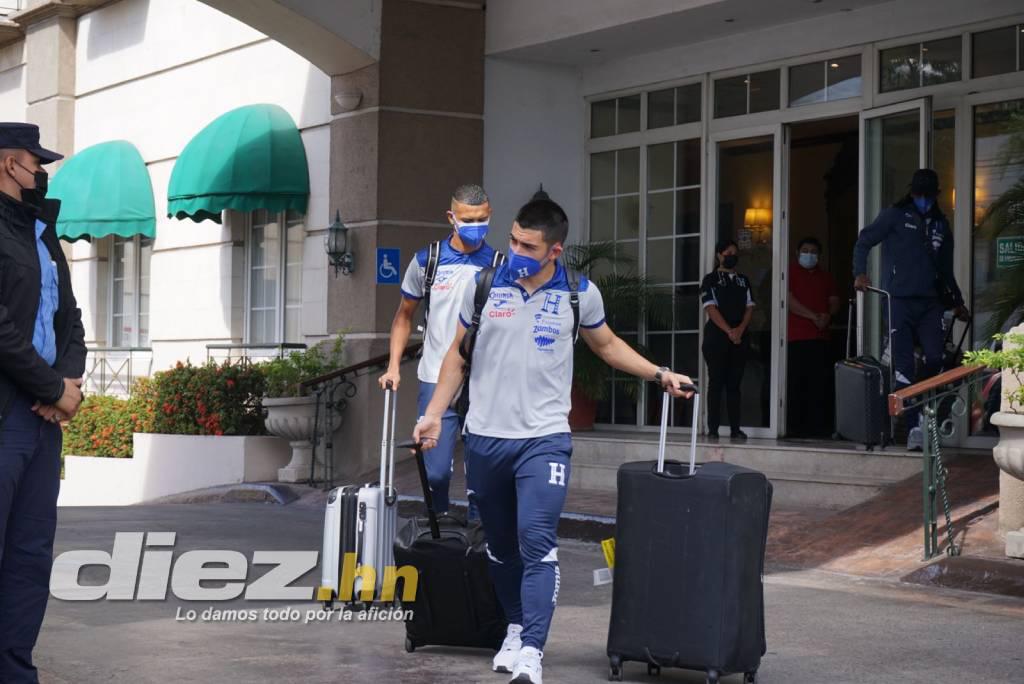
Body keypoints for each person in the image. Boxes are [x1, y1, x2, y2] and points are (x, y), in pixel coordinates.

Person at [412, 199, 692, 684]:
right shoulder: (483, 286)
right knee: (499, 547)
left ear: (555, 250)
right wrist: (434, 415)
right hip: (484, 438)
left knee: (536, 543)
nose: (515, 250)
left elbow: (605, 345)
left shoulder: (579, 294)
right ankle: (515, 629)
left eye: (528, 245)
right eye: (514, 240)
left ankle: (533, 653)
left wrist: (659, 373)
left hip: (543, 440)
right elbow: (456, 359)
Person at [0, 123, 87, 682]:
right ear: (9, 164)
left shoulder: (41, 231)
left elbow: (70, 319)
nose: (43, 174)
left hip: (42, 421)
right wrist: (51, 389)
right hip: (8, 412)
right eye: (37, 164)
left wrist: (67, 385)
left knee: (30, 560)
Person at [379, 184, 501, 518]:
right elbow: (403, 317)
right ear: (451, 217)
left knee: (481, 476)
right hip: (436, 377)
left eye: (481, 218)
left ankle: (479, 539)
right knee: (436, 472)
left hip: (483, 383)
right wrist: (393, 367)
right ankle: (442, 525)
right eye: (467, 219)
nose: (475, 225)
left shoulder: (499, 265)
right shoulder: (427, 261)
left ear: (489, 214)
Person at [853, 168, 969, 450]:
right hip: (898, 301)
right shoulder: (894, 215)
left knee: (936, 359)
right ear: (912, 192)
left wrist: (957, 302)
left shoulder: (941, 224)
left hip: (930, 303)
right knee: (903, 368)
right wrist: (859, 273)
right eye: (919, 195)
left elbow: (945, 269)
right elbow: (864, 241)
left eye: (928, 196)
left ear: (936, 196)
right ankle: (915, 427)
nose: (924, 200)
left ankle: (925, 418)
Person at [700, 239, 755, 440]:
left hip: (739, 336)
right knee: (716, 382)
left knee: (734, 384)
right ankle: (713, 429)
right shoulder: (711, 279)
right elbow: (710, 308)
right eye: (727, 252)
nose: (731, 256)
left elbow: (750, 307)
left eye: (734, 252)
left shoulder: (743, 280)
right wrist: (729, 331)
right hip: (717, 336)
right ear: (719, 255)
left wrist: (739, 330)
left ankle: (735, 428)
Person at [787, 237, 840, 438]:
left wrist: (828, 315)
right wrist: (813, 316)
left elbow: (834, 300)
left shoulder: (825, 277)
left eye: (813, 251)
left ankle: (818, 429)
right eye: (805, 250)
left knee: (819, 386)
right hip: (795, 338)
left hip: (821, 338)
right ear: (797, 252)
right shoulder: (789, 272)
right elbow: (788, 300)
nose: (809, 255)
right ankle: (795, 429)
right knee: (796, 385)